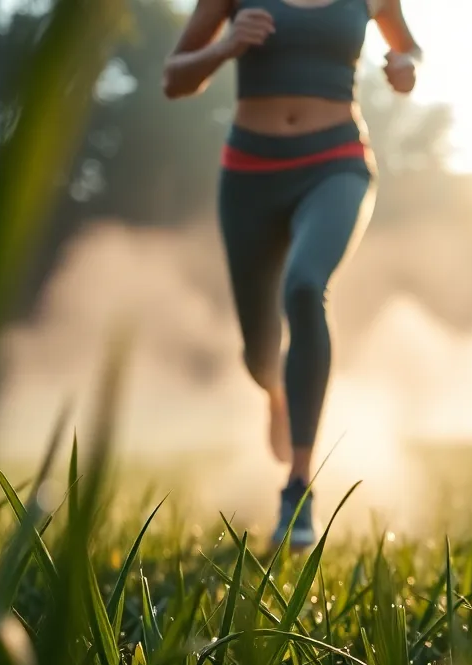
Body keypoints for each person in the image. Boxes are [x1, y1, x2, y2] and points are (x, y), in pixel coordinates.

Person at [162, 0, 420, 548]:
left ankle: (297, 489)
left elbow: (407, 46)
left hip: (337, 162)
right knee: (259, 355)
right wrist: (227, 46)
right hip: (250, 175)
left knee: (304, 287)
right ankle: (279, 393)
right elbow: (174, 79)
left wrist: (405, 67)